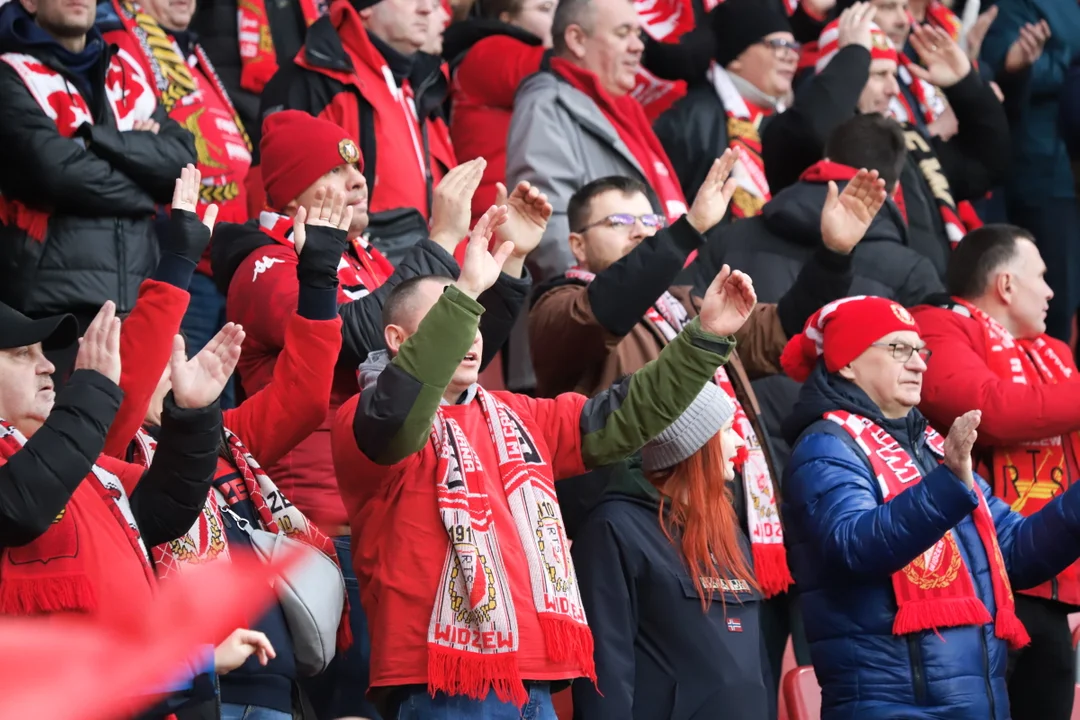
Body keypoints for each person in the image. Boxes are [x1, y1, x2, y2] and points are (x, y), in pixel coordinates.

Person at [331, 203, 760, 718]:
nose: (470, 336)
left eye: (473, 320)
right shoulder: (365, 420)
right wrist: (466, 291)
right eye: (451, 318)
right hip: (442, 684)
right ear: (398, 340)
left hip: (535, 681)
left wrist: (705, 338)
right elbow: (400, 414)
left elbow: (626, 414)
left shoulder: (520, 414)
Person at [212, 111, 534, 719]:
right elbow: (348, 338)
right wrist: (438, 241)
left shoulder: (374, 265)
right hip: (323, 531)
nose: (355, 179)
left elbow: (453, 353)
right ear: (289, 191)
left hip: (405, 522)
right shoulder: (265, 263)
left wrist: (510, 266)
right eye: (332, 170)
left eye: (356, 165)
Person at [105, 166, 349, 720]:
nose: (176, 365)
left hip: (279, 690)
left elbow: (306, 397)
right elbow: (132, 381)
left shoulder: (226, 436)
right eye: (156, 357)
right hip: (197, 692)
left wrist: (318, 280)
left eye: (180, 349)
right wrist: (179, 261)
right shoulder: (111, 460)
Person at [780, 294, 1080, 719]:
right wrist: (946, 485)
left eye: (921, 350)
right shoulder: (825, 447)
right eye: (898, 349)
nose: (920, 364)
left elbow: (1013, 549)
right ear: (846, 363)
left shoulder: (930, 447)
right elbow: (853, 545)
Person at [913, 225, 1080, 720]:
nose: (1052, 291)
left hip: (1053, 585)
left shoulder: (1054, 353)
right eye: (1042, 276)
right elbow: (992, 410)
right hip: (982, 583)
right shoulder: (936, 326)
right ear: (1006, 285)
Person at [0, 0, 195, 346]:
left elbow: (182, 164)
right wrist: (146, 181)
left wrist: (96, 140)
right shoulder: (9, 74)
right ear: (29, 2)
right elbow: (55, 175)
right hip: (53, 312)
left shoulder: (125, 70)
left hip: (139, 301)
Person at [571, 385, 772, 720]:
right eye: (726, 431)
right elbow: (605, 672)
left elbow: (756, 661)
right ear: (694, 445)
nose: (739, 442)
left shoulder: (728, 528)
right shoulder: (613, 529)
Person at [97, 0, 254, 398]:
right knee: (182, 404)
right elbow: (133, 142)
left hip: (221, 263)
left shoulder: (187, 49)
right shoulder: (120, 39)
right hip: (175, 261)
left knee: (216, 408)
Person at [257, 0, 457, 261]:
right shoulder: (314, 79)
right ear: (365, 8)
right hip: (352, 282)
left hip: (428, 275)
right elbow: (274, 206)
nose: (426, 8)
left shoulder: (424, 87)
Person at [982, 0, 1080, 343]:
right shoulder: (1018, 5)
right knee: (1051, 299)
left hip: (1058, 169)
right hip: (1039, 173)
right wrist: (1061, 64)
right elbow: (996, 64)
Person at [655, 0, 798, 216]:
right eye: (778, 45)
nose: (791, 56)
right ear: (736, 58)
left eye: (794, 47)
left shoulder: (789, 121)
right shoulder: (690, 117)